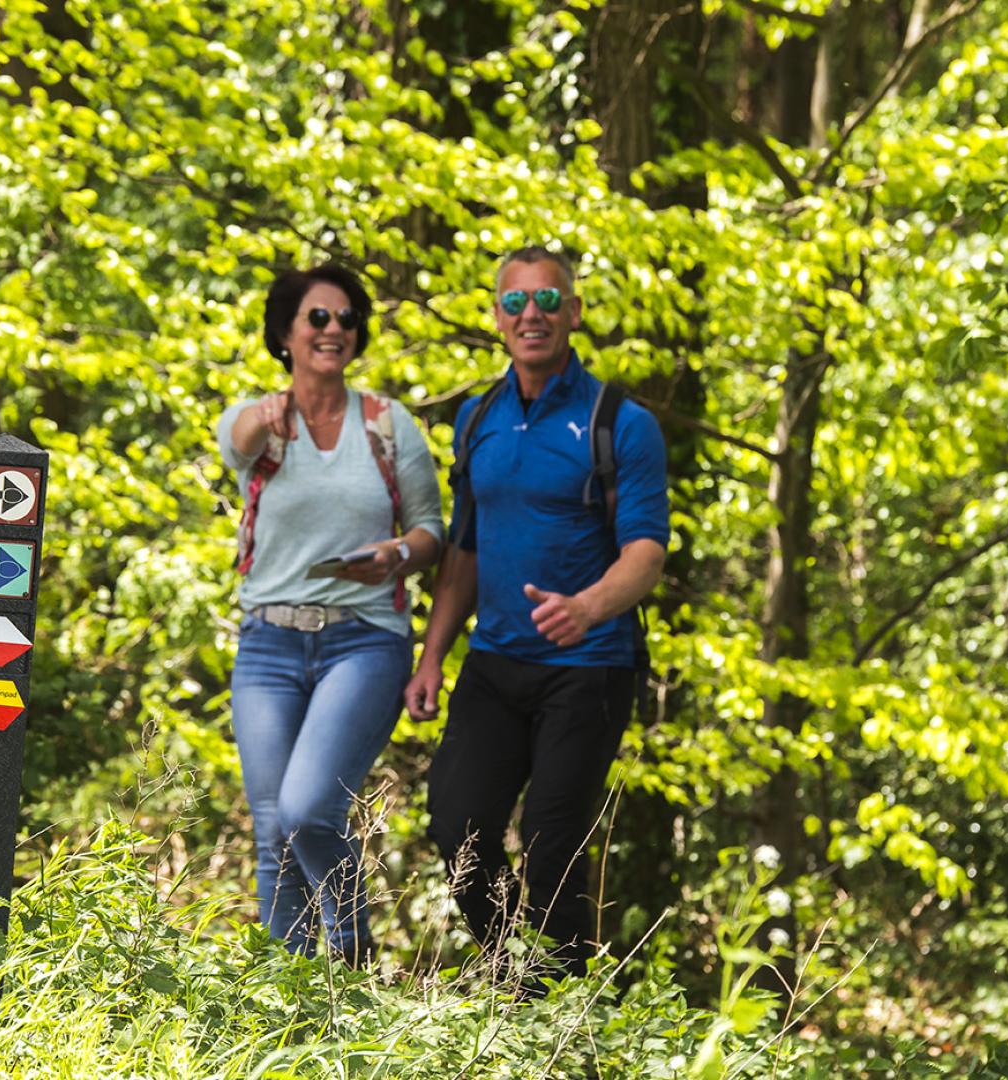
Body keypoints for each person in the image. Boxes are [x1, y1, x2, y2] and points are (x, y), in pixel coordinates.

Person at [404, 245, 669, 982]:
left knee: (552, 847)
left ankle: (559, 1013)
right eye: (516, 301)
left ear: (573, 313)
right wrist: (431, 657)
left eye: (548, 300)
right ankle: (517, 979)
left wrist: (586, 607)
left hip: (590, 667)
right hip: (495, 663)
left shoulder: (621, 423)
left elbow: (646, 554)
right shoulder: (476, 419)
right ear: (497, 316)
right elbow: (463, 551)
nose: (532, 314)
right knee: (456, 827)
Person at [217, 263, 444, 965]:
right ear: (285, 333)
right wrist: (265, 416)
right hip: (268, 646)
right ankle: (286, 997)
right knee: (272, 833)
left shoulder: (387, 424)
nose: (334, 329)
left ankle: (349, 950)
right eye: (317, 317)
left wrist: (396, 554)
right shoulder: (257, 421)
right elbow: (237, 443)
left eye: (346, 319)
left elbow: (432, 532)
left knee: (306, 810)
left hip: (363, 642)